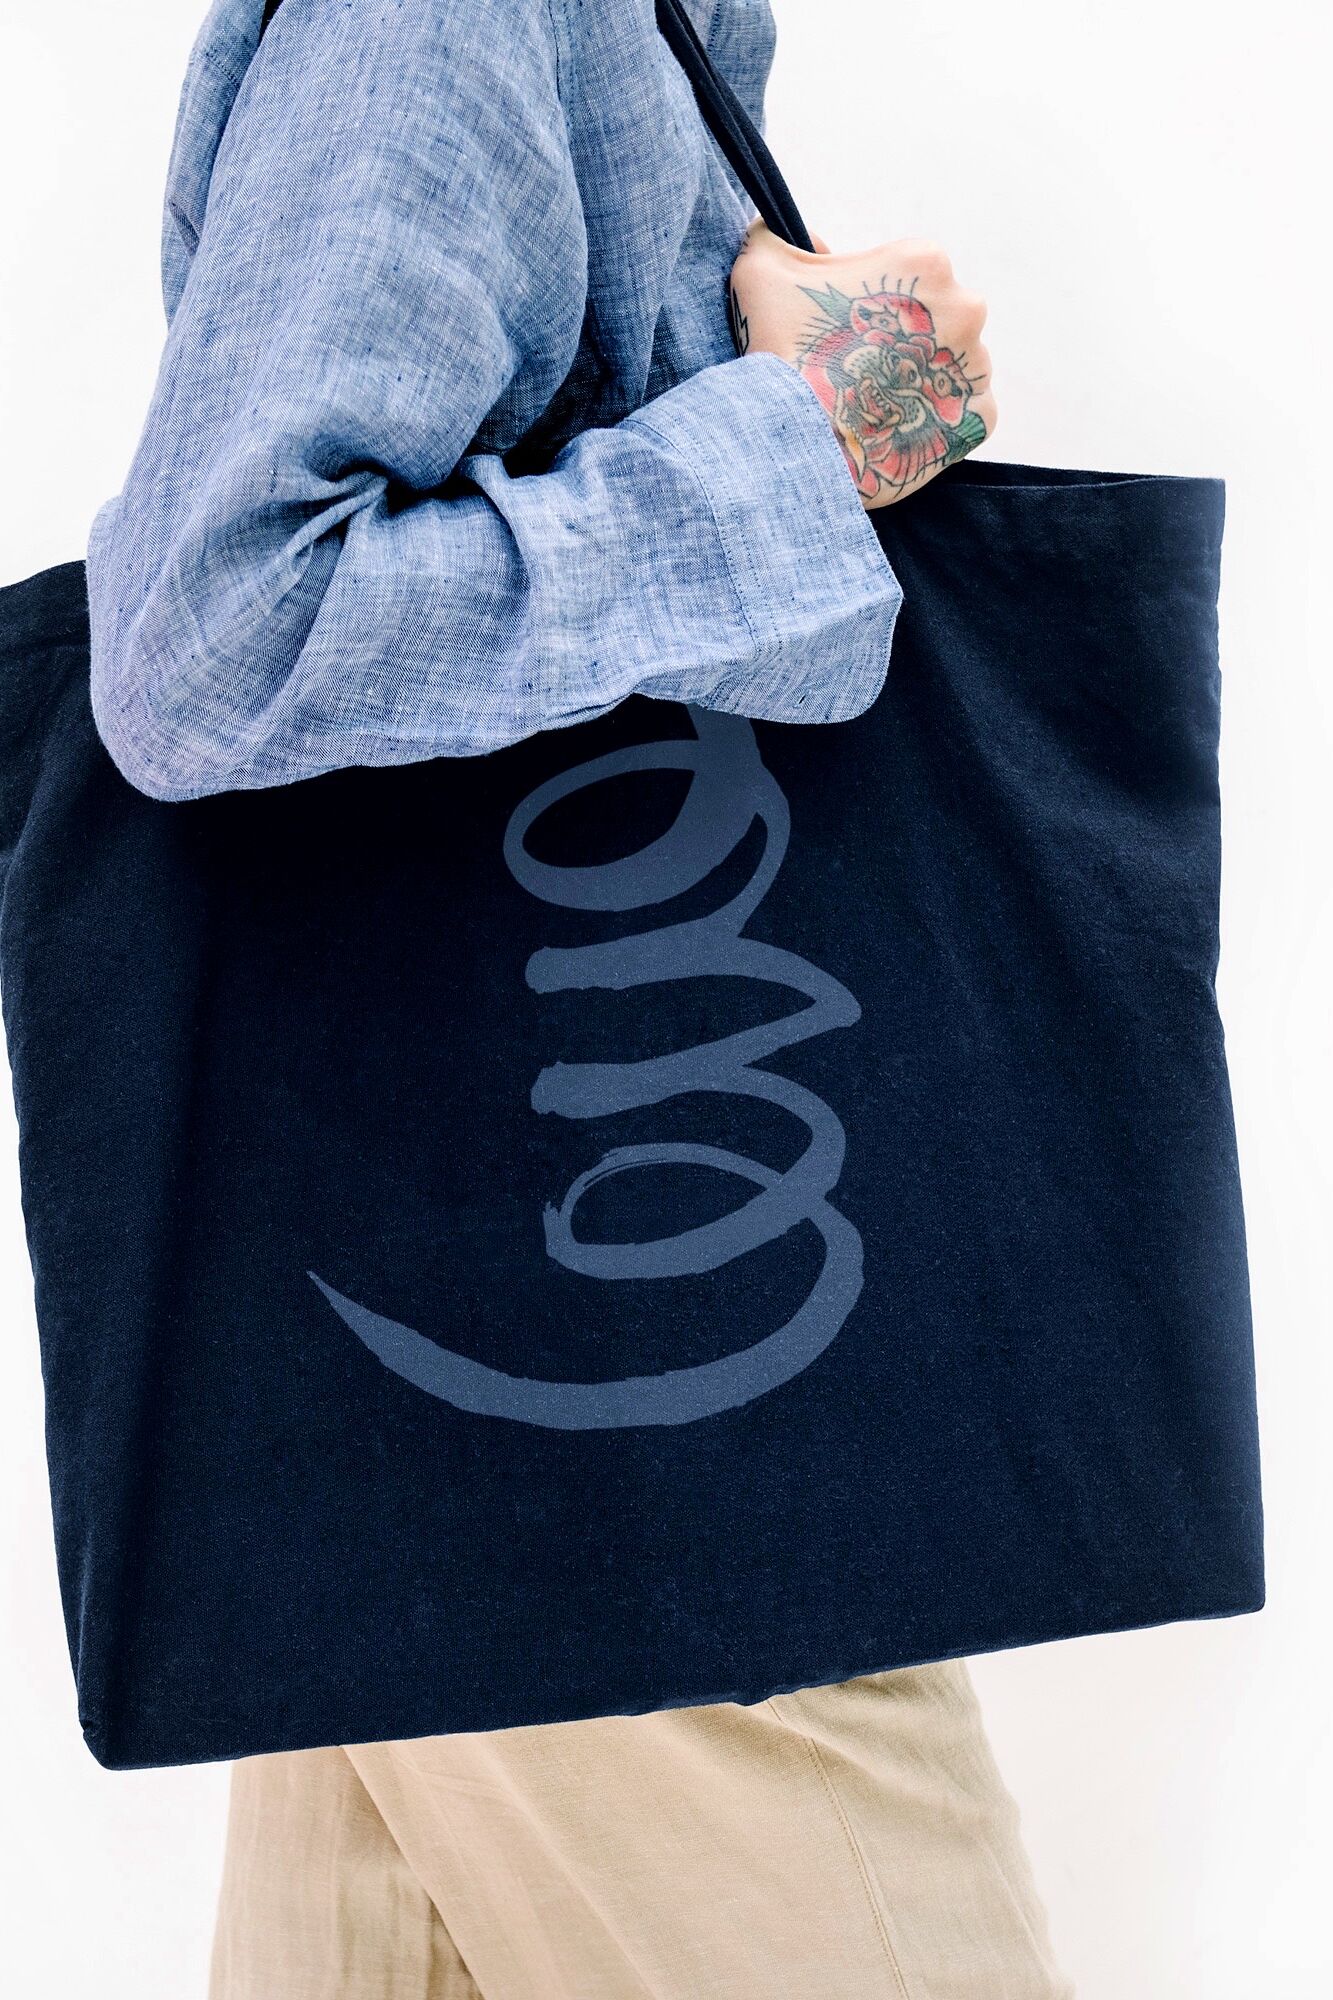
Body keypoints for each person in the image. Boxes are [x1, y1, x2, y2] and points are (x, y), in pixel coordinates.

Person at [89, 2, 1063, 1994]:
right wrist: (801, 441)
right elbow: (218, 632)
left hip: (433, 1331)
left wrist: (765, 376)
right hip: (623, 1392)